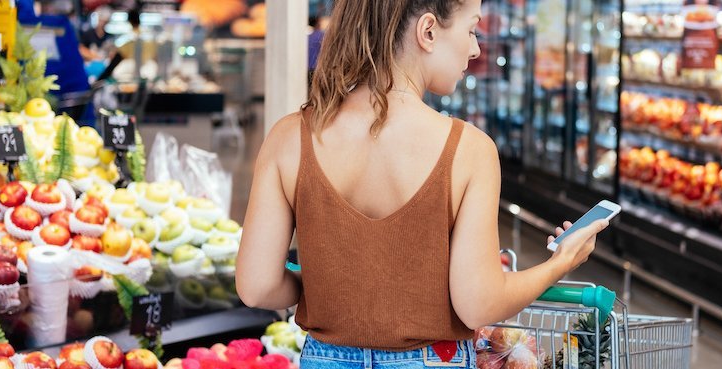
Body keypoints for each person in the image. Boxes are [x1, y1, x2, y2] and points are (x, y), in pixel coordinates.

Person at [236, 1, 608, 368]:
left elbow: (257, 286)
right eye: (471, 29)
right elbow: (478, 302)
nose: (476, 48)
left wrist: (327, 287)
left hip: (324, 358)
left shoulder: (289, 137)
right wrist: (562, 262)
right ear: (428, 31)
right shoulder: (469, 150)